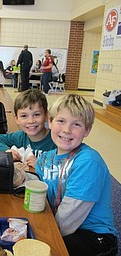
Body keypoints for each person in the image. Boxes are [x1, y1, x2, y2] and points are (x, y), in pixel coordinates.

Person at [35, 94, 118, 256]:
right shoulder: (45, 159)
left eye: (77, 124)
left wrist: (39, 237)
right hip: (60, 225)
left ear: (87, 130)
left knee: (48, 252)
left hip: (94, 236)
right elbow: (35, 191)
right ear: (50, 122)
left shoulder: (89, 162)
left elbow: (67, 220)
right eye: (61, 121)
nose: (67, 130)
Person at [0, 89, 56, 168]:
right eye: (24, 116)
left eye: (36, 114)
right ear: (16, 119)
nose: (31, 121)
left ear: (46, 116)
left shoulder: (56, 140)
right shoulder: (20, 137)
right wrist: (7, 151)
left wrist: (41, 165)